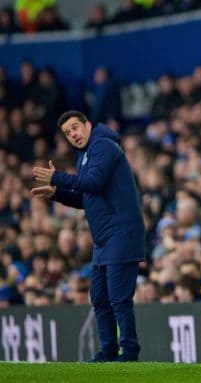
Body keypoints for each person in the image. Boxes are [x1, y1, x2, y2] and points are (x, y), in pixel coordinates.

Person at [31, 111, 144, 362]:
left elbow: (92, 182)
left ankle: (130, 352)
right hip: (104, 238)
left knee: (118, 297)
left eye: (75, 128)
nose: (73, 135)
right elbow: (87, 198)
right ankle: (108, 351)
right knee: (100, 298)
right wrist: (56, 193)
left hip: (121, 233)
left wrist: (57, 176)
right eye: (68, 133)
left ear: (88, 125)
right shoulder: (85, 154)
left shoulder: (103, 146)